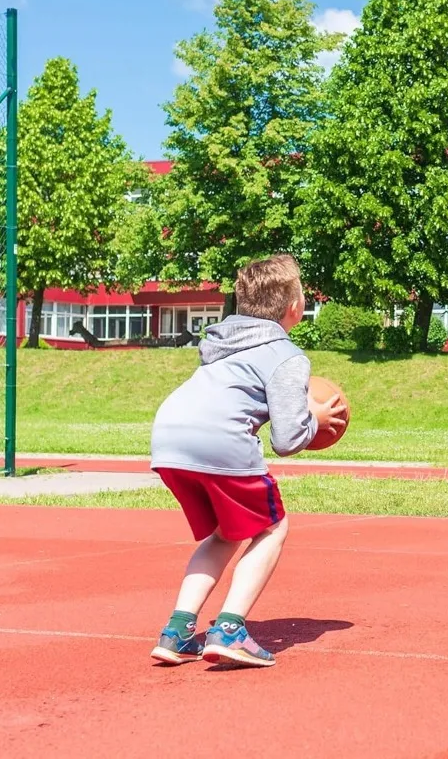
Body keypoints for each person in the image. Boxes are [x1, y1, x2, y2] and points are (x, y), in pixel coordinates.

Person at [148, 254, 345, 668]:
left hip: (167, 437)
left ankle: (179, 631)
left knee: (223, 533)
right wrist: (317, 419)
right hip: (218, 440)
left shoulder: (219, 343)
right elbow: (288, 439)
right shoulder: (288, 356)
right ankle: (230, 629)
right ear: (296, 307)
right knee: (273, 526)